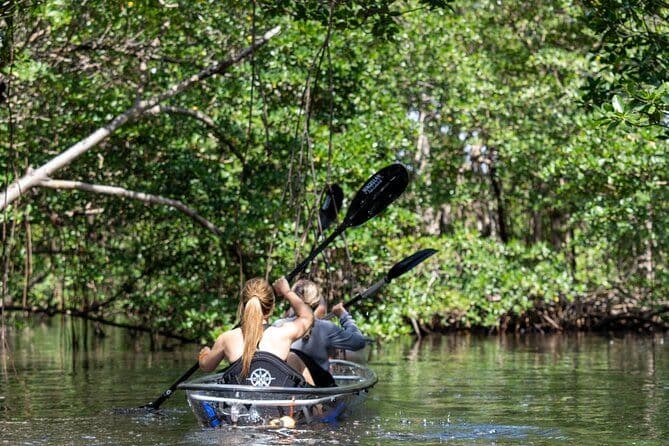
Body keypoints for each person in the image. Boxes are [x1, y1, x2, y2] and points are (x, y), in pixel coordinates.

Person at [198, 276, 315, 386]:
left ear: (242, 306)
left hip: (239, 406)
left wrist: (204, 354)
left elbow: (206, 366)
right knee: (293, 357)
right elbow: (307, 316)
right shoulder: (284, 333)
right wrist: (287, 292)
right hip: (276, 405)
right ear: (271, 308)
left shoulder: (226, 339)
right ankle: (317, 407)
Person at [276, 279, 367, 387]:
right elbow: (359, 342)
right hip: (319, 391)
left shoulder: (278, 325)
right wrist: (343, 316)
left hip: (290, 387)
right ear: (317, 302)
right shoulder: (326, 328)